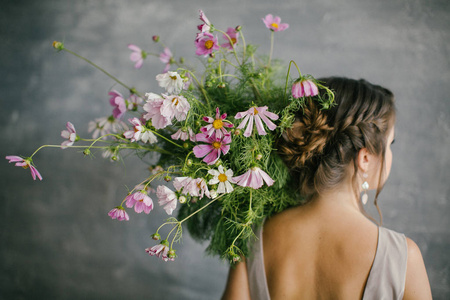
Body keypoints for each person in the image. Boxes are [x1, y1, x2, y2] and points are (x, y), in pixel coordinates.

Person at [221, 77, 432, 299]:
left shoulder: (255, 238)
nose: (390, 154)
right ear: (365, 158)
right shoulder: (402, 257)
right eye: (391, 144)